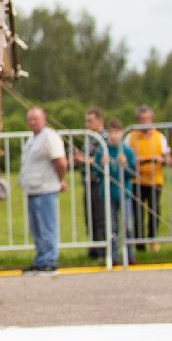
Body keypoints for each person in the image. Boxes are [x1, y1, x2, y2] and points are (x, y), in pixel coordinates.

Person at [20, 107, 67, 276]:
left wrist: (60, 180)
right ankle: (41, 259)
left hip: (45, 188)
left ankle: (49, 260)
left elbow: (60, 162)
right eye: (30, 119)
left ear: (44, 119)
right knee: (37, 228)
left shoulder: (49, 136)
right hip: (33, 189)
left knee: (47, 226)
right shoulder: (32, 138)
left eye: (36, 119)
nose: (32, 122)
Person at [126, 106, 172, 250]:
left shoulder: (159, 137)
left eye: (147, 119)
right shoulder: (130, 137)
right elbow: (125, 158)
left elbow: (169, 159)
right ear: (137, 121)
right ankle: (139, 243)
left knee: (154, 211)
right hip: (136, 180)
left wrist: (162, 160)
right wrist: (135, 161)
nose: (145, 122)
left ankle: (153, 239)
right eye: (142, 119)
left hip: (155, 180)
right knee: (137, 213)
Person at [70, 108, 109, 259]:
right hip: (88, 182)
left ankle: (102, 249)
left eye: (90, 121)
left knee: (100, 217)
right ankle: (93, 248)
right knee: (90, 217)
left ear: (100, 121)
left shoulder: (103, 138)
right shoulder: (89, 137)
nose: (86, 124)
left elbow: (101, 159)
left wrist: (84, 160)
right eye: (86, 121)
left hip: (99, 182)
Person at [103, 118, 137, 265]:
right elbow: (98, 174)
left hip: (125, 193)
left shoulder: (127, 151)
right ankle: (113, 257)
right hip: (109, 194)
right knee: (112, 227)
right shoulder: (103, 150)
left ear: (121, 133)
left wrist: (126, 165)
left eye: (117, 132)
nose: (114, 135)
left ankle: (130, 255)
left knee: (128, 226)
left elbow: (133, 173)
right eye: (111, 132)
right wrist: (102, 164)